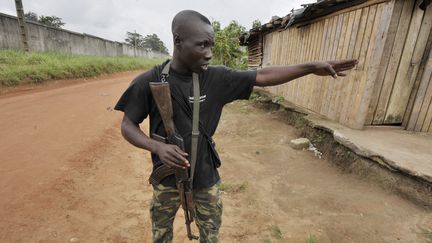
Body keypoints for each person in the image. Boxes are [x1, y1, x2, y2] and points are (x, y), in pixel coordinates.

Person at [114, 9, 357, 243]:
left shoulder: (217, 78)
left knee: (211, 234)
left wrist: (311, 68)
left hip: (206, 179)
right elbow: (128, 125)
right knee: (161, 234)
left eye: (211, 45)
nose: (209, 53)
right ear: (178, 41)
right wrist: (157, 147)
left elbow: (261, 76)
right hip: (166, 181)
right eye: (202, 45)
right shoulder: (151, 80)